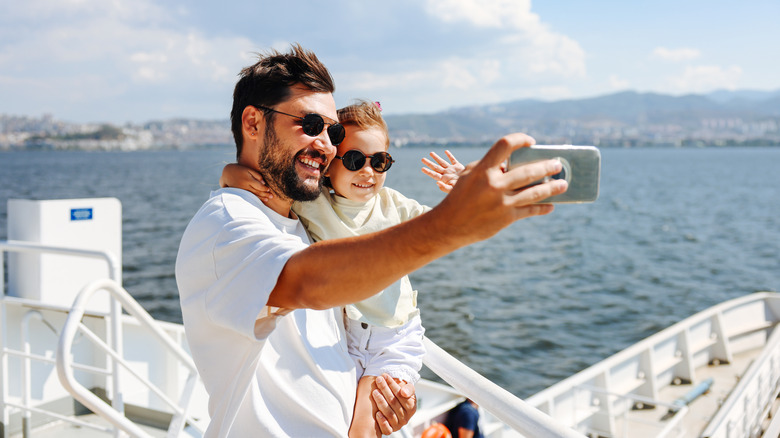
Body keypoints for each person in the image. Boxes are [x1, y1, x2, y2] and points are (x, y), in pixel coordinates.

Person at [175, 43, 567, 437]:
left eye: (333, 131)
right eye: (310, 124)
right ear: (253, 123)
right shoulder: (226, 223)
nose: (327, 144)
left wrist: (387, 399)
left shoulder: (301, 222)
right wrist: (452, 224)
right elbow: (308, 282)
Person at [220, 99, 464, 437]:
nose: (368, 172)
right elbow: (260, 183)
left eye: (380, 162)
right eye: (354, 160)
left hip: (393, 337)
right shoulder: (314, 203)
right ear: (331, 164)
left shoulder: (394, 206)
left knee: (364, 426)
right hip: (345, 338)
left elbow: (447, 226)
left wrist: (462, 189)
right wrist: (229, 174)